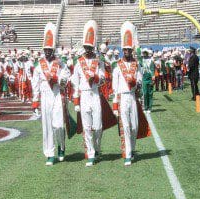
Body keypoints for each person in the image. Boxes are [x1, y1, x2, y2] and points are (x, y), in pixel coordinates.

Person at [31, 22, 70, 166]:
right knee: (47, 126)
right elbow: (35, 84)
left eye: (50, 49)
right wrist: (35, 101)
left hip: (56, 94)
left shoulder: (60, 63)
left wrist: (58, 79)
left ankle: (61, 145)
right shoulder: (38, 65)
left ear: (53, 50)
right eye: (46, 49)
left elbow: (66, 77)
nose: (47, 52)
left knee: (59, 125)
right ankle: (49, 153)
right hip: (45, 95)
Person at [71, 20, 106, 167]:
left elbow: (104, 79)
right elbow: (75, 82)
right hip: (84, 94)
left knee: (98, 126)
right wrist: (76, 101)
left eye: (90, 47)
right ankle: (91, 153)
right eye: (86, 47)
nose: (88, 50)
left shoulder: (99, 61)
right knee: (87, 126)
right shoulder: (78, 62)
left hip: (95, 93)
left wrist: (96, 77)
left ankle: (97, 148)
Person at [112, 21, 141, 166]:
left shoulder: (136, 64)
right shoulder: (117, 66)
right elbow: (114, 86)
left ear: (132, 50)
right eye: (125, 50)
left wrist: (136, 82)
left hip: (133, 97)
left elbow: (140, 79)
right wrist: (115, 105)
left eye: (129, 50)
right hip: (123, 97)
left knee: (135, 125)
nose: (127, 52)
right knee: (126, 125)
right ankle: (127, 153)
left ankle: (133, 149)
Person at [140, 48, 155, 113]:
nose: (144, 54)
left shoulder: (151, 60)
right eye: (144, 52)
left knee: (150, 93)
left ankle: (150, 108)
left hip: (150, 78)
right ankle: (145, 107)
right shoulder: (141, 60)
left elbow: (152, 70)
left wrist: (153, 78)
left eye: (145, 52)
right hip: (144, 78)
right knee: (145, 93)